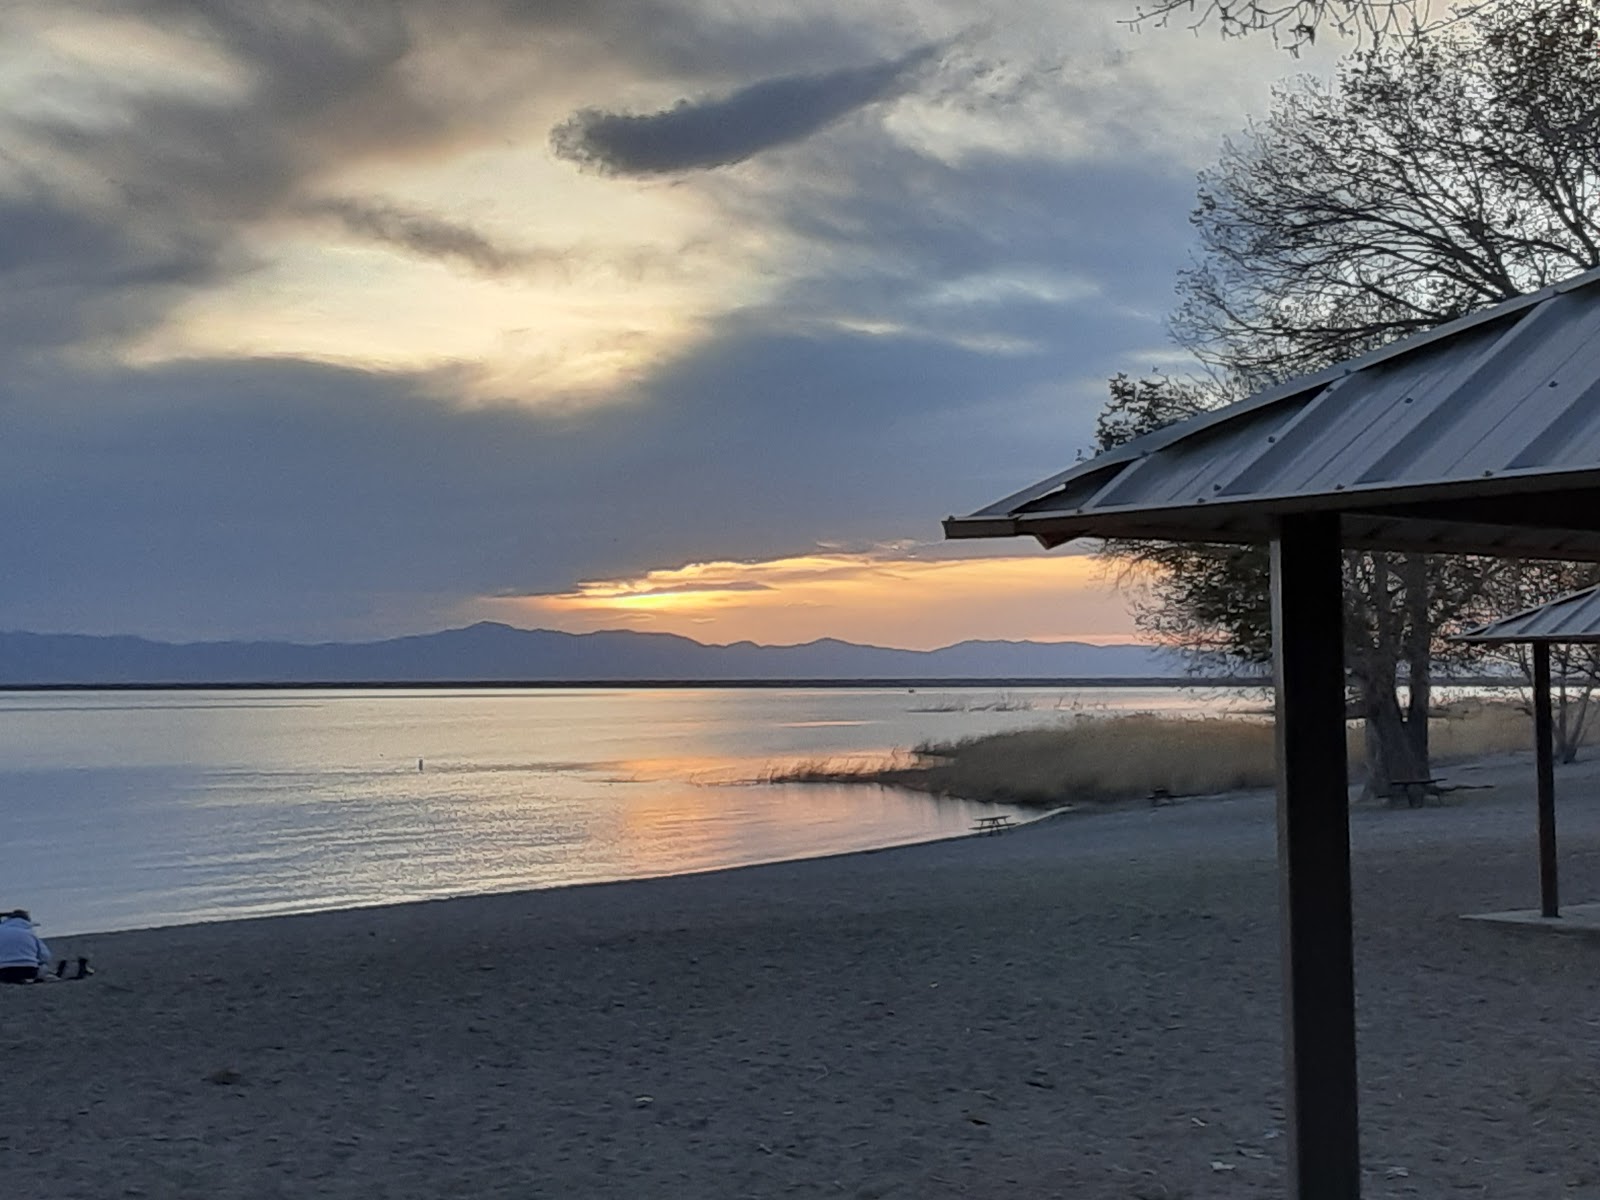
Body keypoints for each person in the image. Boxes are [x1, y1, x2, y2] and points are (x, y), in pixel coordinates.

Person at [0, 909, 52, 984]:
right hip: (29, 970)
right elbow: (45, 956)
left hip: (4, 970)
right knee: (43, 965)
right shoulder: (29, 932)